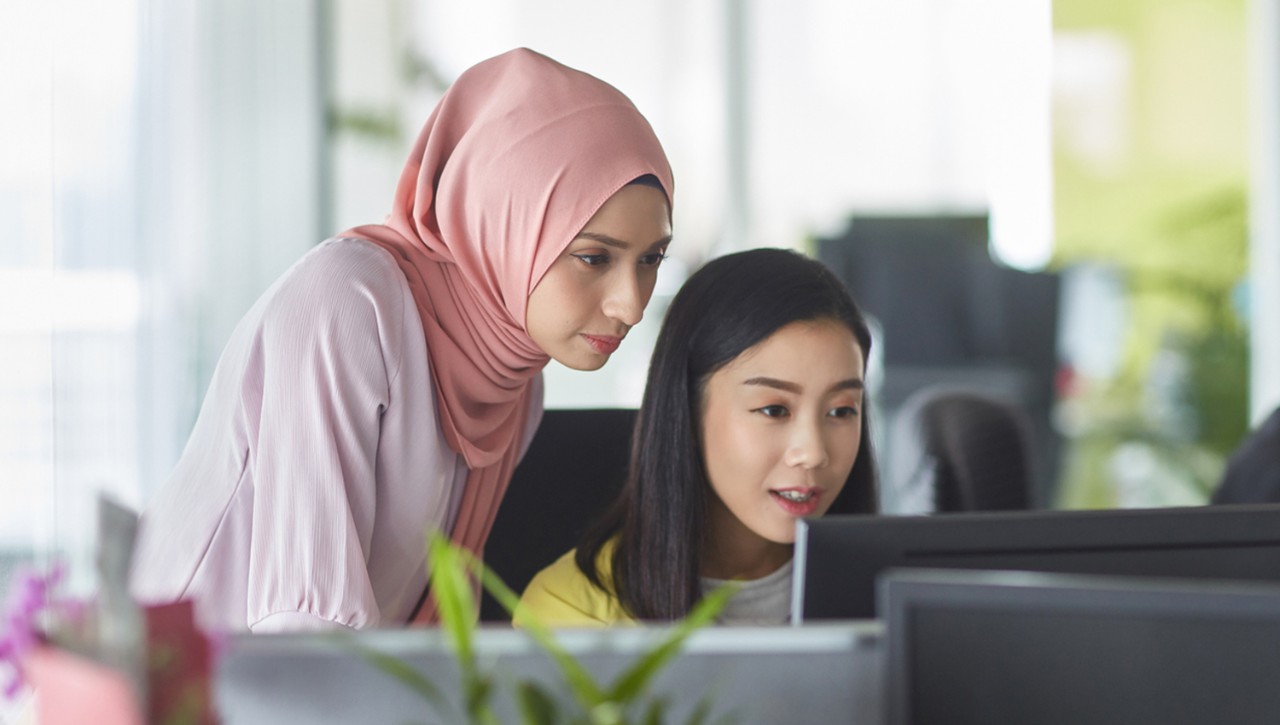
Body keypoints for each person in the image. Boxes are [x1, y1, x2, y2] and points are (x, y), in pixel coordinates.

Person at [130, 48, 675, 633]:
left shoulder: (512, 378)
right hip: (180, 687)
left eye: (650, 260)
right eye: (594, 257)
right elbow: (305, 622)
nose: (632, 304)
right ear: (506, 224)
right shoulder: (345, 303)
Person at [516, 248, 877, 626]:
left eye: (841, 411)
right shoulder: (573, 612)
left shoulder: (900, 591)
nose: (813, 453)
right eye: (774, 410)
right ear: (686, 410)